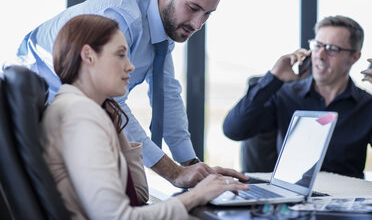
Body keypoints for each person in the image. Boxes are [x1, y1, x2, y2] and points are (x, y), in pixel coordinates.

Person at [3, 0, 248, 186]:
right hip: (33, 108)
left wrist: (194, 167)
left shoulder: (162, 26)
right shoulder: (122, 18)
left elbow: (168, 95)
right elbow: (113, 105)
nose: (197, 24)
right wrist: (175, 174)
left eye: (208, 14)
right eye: (193, 8)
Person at [41, 14, 250, 219]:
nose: (130, 66)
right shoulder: (81, 117)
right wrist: (196, 196)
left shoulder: (85, 108)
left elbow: (138, 195)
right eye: (121, 54)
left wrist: (112, 113)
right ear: (88, 56)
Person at [223, 15, 372, 179]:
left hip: (347, 199)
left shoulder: (367, 105)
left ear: (354, 57)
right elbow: (233, 130)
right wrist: (274, 77)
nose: (320, 55)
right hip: (292, 198)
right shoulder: (285, 94)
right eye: (317, 45)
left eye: (332, 49)